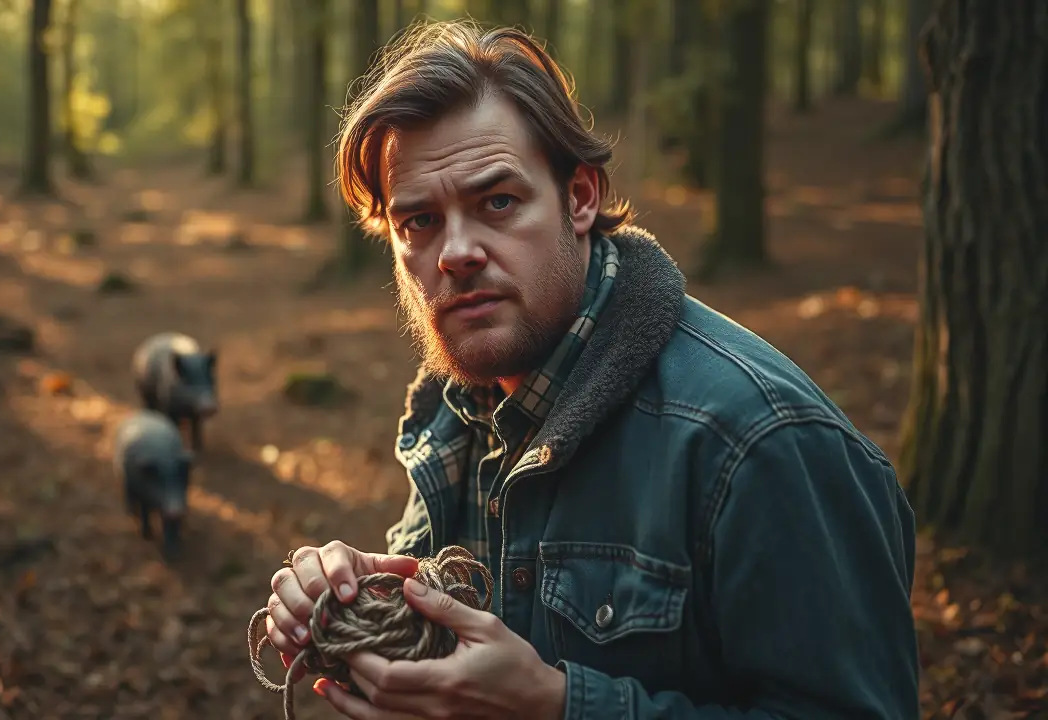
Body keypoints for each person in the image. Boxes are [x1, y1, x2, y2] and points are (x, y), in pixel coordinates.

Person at [261, 19, 920, 720]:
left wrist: (557, 707)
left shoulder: (760, 442)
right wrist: (356, 599)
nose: (455, 252)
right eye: (418, 222)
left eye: (497, 202)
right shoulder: (465, 409)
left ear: (580, 198)